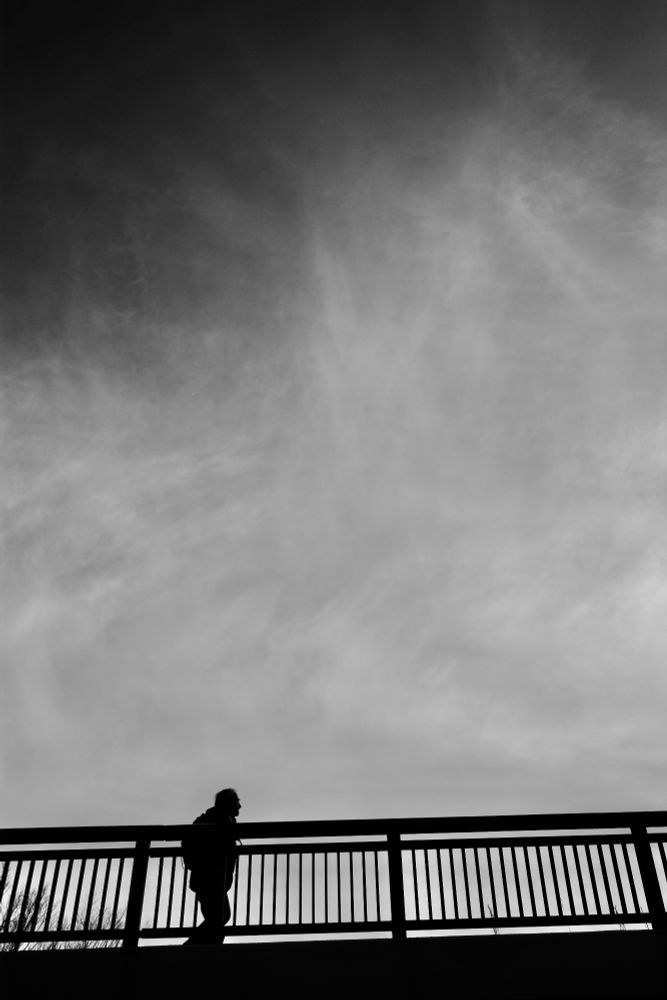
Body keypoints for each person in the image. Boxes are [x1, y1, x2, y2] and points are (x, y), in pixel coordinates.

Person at [183, 787, 241, 946]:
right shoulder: (220, 820)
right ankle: (190, 949)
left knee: (217, 918)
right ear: (228, 803)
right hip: (210, 878)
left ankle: (199, 949)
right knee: (219, 918)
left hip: (208, 879)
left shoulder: (217, 818)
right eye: (237, 802)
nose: (240, 806)